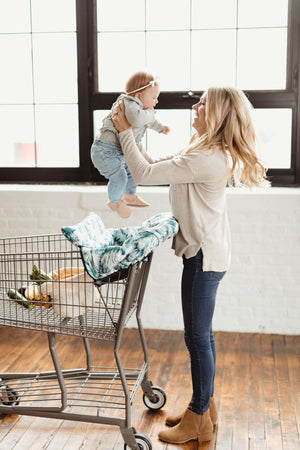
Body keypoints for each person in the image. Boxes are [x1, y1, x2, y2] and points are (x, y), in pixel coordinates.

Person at [112, 86, 269, 444]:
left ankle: (198, 418)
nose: (195, 106)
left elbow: (146, 172)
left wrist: (123, 130)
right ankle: (205, 407)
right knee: (202, 337)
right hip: (206, 253)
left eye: (203, 103)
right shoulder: (200, 149)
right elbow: (158, 167)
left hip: (203, 257)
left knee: (197, 337)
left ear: (216, 115)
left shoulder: (206, 157)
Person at [91, 71, 170, 218]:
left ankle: (129, 195)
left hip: (119, 151)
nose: (156, 102)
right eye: (154, 97)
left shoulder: (143, 111)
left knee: (132, 170)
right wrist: (152, 114)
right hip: (105, 150)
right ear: (139, 96)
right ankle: (114, 202)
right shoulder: (129, 103)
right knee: (119, 177)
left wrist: (160, 128)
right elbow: (137, 120)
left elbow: (149, 121)